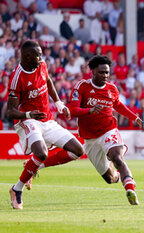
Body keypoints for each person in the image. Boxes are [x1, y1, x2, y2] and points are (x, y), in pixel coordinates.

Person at [7, 40, 85, 210]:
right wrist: (28, 114)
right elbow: (10, 111)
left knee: (78, 150)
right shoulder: (16, 77)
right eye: (38, 55)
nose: (42, 58)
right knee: (41, 152)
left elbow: (48, 80)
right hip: (27, 120)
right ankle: (16, 189)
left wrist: (58, 103)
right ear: (27, 57)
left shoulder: (41, 65)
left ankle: (33, 167)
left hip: (47, 120)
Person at [68, 55, 144, 205]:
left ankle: (130, 190)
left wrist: (136, 118)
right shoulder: (82, 86)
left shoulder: (112, 89)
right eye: (101, 72)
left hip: (108, 130)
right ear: (92, 71)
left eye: (107, 72)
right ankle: (120, 176)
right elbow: (73, 110)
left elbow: (118, 106)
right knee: (110, 179)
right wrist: (89, 111)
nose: (105, 76)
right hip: (90, 139)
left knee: (116, 157)